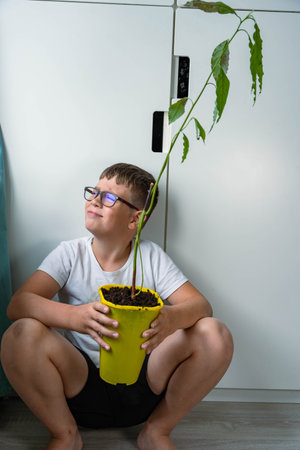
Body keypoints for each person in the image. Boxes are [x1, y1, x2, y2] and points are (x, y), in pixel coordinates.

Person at [0, 162, 233, 450]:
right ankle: (65, 435)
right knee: (21, 332)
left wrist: (171, 319)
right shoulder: (70, 254)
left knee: (214, 333)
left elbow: (201, 306)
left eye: (109, 197)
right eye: (94, 192)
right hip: (80, 387)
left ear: (135, 219)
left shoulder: (150, 256)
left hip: (142, 385)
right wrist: (73, 317)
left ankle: (156, 431)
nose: (95, 200)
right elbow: (19, 304)